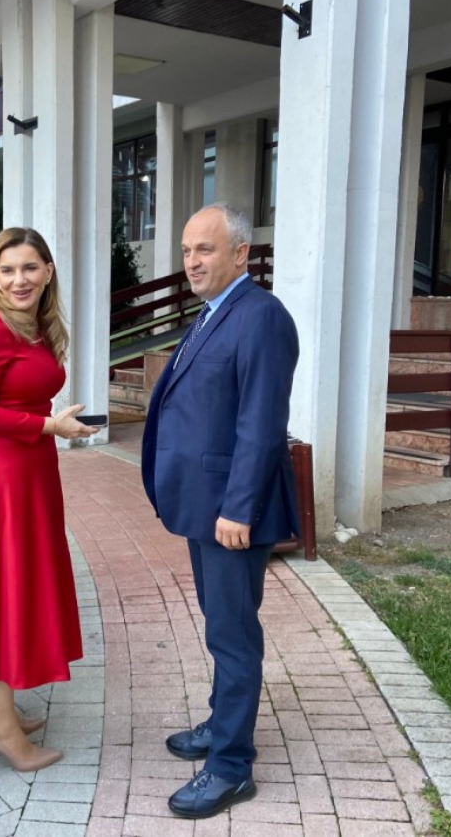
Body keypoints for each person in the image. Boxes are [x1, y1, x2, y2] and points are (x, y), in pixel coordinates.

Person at [141, 203, 300, 819]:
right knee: (220, 624)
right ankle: (220, 722)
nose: (191, 262)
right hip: (205, 508)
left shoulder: (261, 317)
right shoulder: (214, 313)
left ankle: (231, 767)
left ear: (240, 254)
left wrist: (239, 508)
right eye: (186, 251)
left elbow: (262, 422)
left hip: (232, 514)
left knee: (233, 635)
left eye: (204, 250)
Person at [0, 227, 99, 773]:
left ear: (48, 271)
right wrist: (48, 425)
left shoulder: (35, 326)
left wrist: (49, 425)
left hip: (32, 471)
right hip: (6, 478)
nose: (19, 280)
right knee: (4, 591)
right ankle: (2, 731)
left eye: (29, 267)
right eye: (7, 270)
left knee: (14, 588)